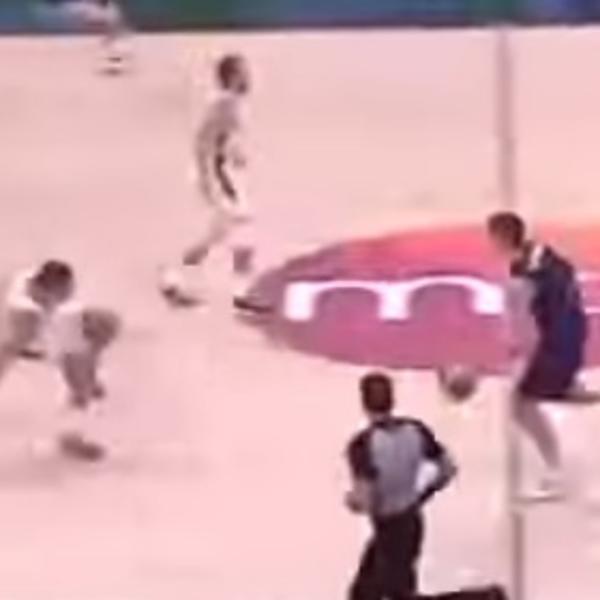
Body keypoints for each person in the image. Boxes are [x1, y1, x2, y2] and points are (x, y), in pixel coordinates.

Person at [487, 211, 598, 498]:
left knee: (519, 404)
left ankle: (555, 471)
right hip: (575, 334)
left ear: (502, 239)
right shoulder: (544, 254)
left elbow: (529, 335)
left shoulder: (521, 281)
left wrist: (518, 371)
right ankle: (568, 385)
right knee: (553, 386)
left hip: (556, 348)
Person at [159, 53, 270, 314]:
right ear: (232, 77)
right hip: (219, 177)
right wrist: (209, 177)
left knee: (223, 233)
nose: (250, 77)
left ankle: (176, 279)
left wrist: (236, 154)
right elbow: (204, 141)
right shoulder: (225, 104)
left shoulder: (232, 104)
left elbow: (222, 139)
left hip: (225, 175)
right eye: (244, 73)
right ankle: (177, 278)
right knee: (234, 230)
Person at [345, 372, 457, 600]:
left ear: (364, 403)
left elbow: (366, 498)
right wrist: (422, 494)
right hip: (412, 520)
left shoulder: (362, 445)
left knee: (386, 593)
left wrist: (352, 501)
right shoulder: (415, 430)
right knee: (381, 590)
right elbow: (447, 469)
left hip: (387, 528)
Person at [0, 260, 120, 460]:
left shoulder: (34, 285)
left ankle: (72, 431)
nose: (69, 293)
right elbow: (8, 349)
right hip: (31, 339)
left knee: (106, 324)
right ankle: (70, 434)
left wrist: (90, 367)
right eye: (64, 291)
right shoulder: (22, 314)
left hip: (46, 333)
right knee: (78, 381)